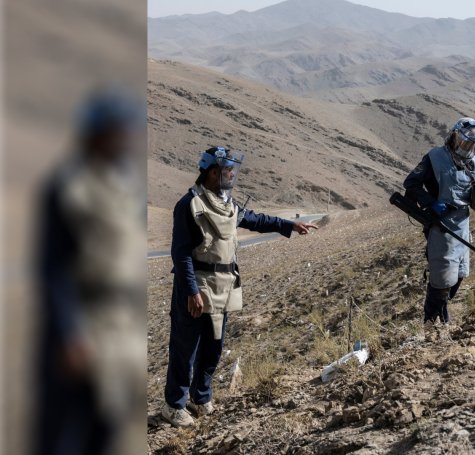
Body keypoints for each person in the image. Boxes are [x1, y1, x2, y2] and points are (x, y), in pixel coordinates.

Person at [162, 146, 317, 427]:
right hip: (198, 286)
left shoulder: (227, 203)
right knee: (187, 348)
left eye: (233, 170)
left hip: (224, 285)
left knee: (214, 347)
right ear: (212, 172)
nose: (232, 175)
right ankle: (174, 406)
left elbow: (255, 219)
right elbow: (181, 252)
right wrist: (191, 291)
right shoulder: (190, 204)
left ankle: (201, 397)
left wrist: (289, 226)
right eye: (227, 170)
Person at [35, 87, 146, 454]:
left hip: (120, 326)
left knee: (105, 426)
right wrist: (69, 333)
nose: (125, 139)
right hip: (81, 322)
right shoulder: (69, 186)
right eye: (117, 131)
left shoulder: (124, 185)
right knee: (65, 430)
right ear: (97, 134)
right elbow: (54, 269)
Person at [403, 118, 475, 327]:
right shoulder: (435, 158)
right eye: (465, 142)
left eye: (473, 144)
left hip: (462, 225)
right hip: (441, 226)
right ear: (454, 136)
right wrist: (430, 202)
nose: (468, 147)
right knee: (441, 278)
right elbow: (411, 184)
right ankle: (432, 323)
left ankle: (442, 311)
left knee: (460, 274)